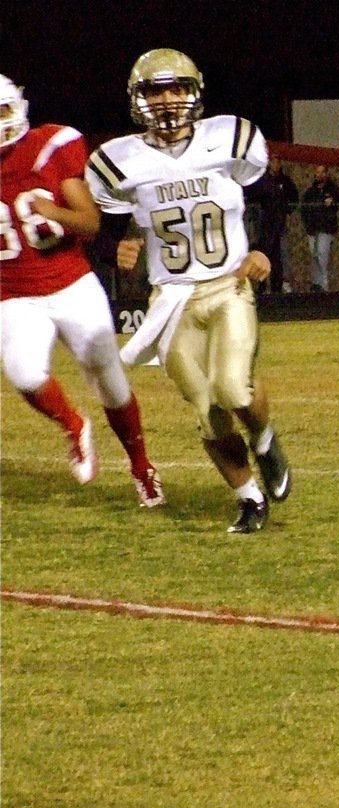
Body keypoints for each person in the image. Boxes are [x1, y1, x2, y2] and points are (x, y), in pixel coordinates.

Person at [86, 48, 293, 533]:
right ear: (139, 100)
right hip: (172, 298)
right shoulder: (119, 161)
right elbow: (103, 228)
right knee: (206, 410)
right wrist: (116, 247)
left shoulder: (229, 138)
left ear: (194, 92)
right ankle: (247, 497)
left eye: (176, 88)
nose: (168, 100)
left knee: (232, 385)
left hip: (227, 286)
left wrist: (264, 250)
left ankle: (264, 440)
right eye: (156, 91)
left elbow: (274, 198)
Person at [0, 74, 165, 507]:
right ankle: (74, 426)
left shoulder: (49, 146)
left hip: (71, 283)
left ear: (18, 107)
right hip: (14, 294)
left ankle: (142, 466)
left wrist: (51, 210)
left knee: (108, 377)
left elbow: (89, 221)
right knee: (24, 373)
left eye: (1, 111)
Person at [248, 153, 298, 293]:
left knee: (279, 257)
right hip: (265, 224)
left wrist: (287, 210)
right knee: (264, 254)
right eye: (273, 162)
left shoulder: (285, 181)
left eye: (277, 162)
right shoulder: (264, 180)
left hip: (280, 225)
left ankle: (277, 286)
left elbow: (294, 197)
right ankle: (262, 285)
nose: (275, 165)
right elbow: (253, 196)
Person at [300, 164, 339, 291]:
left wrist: (333, 201)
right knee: (314, 256)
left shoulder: (333, 188)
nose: (319, 175)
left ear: (326, 174)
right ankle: (316, 283)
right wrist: (308, 225)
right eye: (317, 172)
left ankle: (323, 284)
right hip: (312, 230)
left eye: (321, 172)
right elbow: (304, 209)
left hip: (326, 228)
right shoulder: (310, 192)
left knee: (322, 255)